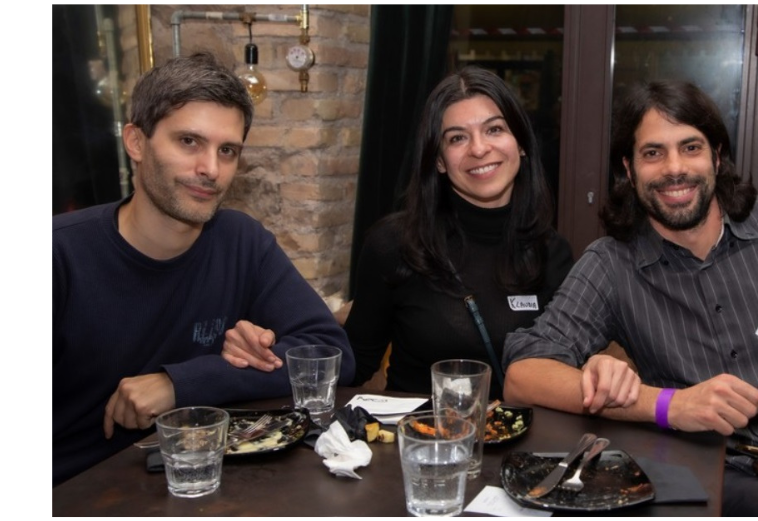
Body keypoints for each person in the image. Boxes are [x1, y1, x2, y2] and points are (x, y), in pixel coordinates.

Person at [503, 80, 758, 516]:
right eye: (653, 153)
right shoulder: (612, 264)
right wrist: (669, 405)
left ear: (717, 156)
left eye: (691, 147)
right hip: (728, 480)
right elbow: (523, 376)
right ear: (629, 169)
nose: (674, 168)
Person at [53, 53, 354, 486]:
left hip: (200, 483)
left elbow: (330, 355)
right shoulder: (57, 255)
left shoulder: (240, 241)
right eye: (189, 142)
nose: (211, 169)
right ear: (136, 142)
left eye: (227, 150)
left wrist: (181, 383)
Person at [224, 66, 573, 399]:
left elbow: (566, 370)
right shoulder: (395, 245)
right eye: (457, 138)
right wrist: (268, 354)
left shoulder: (553, 254)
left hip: (522, 437)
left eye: (494, 130)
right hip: (419, 435)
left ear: (521, 143)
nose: (479, 148)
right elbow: (352, 363)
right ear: (439, 160)